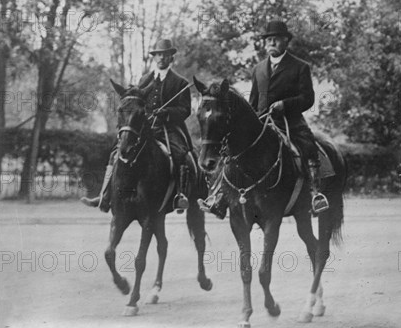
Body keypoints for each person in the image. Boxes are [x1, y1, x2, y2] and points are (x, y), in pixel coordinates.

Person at [200, 20, 328, 217]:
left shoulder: (300, 67)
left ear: (286, 41)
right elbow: (253, 101)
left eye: (276, 40)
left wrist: (284, 105)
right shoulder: (259, 69)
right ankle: (219, 197)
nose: (271, 43)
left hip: (290, 122)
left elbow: (307, 99)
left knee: (308, 146)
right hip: (261, 122)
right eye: (268, 40)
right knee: (231, 151)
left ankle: (314, 194)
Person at [81, 39, 192, 213]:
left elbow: (185, 110)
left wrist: (167, 112)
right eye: (158, 55)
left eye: (165, 55)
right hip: (144, 127)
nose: (161, 58)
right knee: (116, 153)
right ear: (155, 57)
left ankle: (180, 196)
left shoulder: (181, 83)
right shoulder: (144, 79)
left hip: (169, 128)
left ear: (171, 58)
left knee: (180, 155)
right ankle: (105, 195)